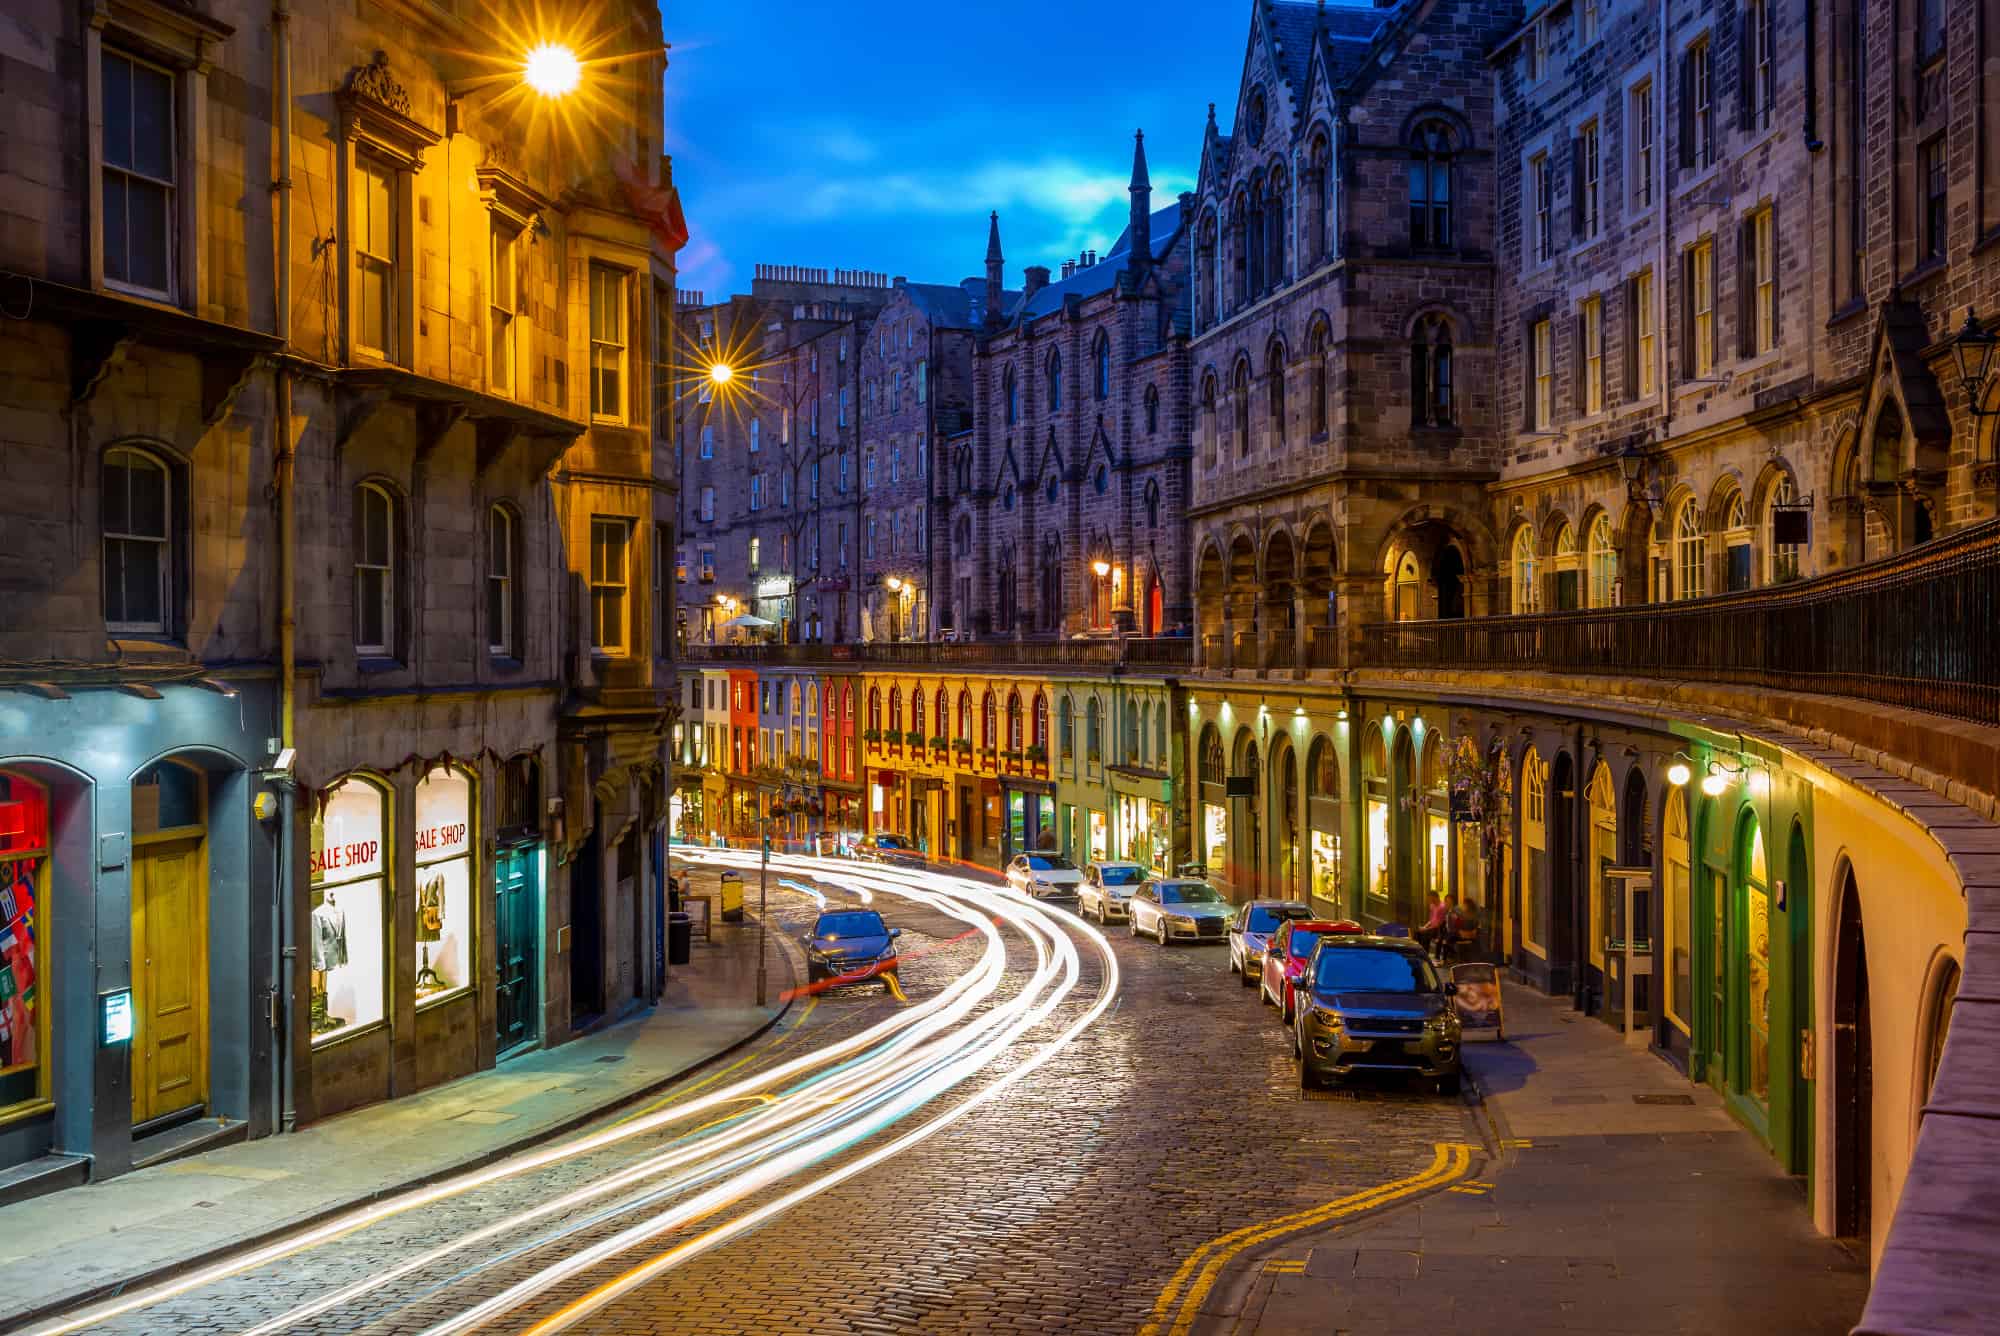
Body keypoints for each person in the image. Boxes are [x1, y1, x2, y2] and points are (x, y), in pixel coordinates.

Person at [1414, 891, 1450, 956]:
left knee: (1425, 935)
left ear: (1434, 897)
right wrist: (1424, 927)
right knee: (1417, 933)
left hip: (1439, 929)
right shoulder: (1432, 905)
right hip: (1432, 928)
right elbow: (1431, 920)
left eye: (1429, 898)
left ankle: (1425, 954)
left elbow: (1440, 923)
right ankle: (1418, 953)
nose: (1428, 900)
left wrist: (1426, 929)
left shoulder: (1442, 906)